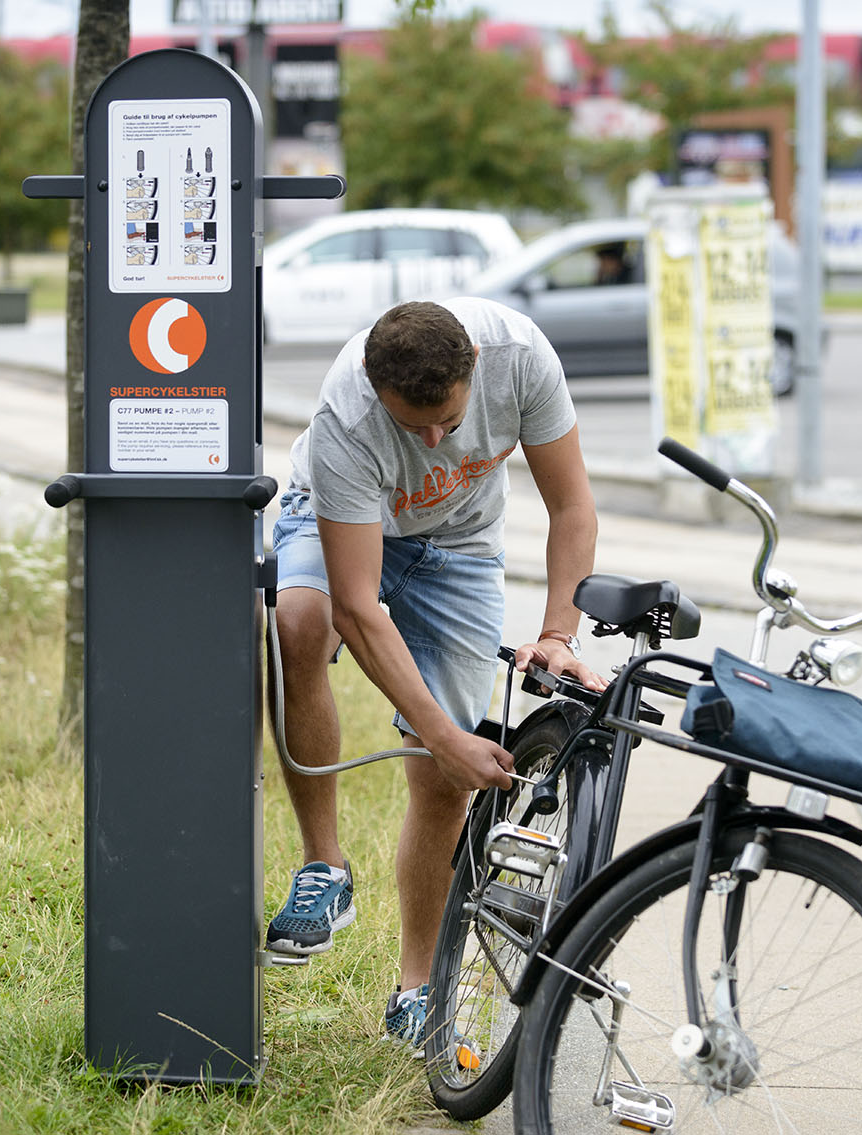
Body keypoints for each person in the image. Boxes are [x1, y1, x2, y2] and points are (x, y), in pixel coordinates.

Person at [265, 297, 607, 1051]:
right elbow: (356, 608)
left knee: (442, 778)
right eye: (409, 425)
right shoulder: (346, 419)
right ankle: (324, 866)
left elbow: (572, 503)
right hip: (339, 523)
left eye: (447, 425)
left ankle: (418, 988)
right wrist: (442, 729)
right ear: (371, 383)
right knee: (299, 622)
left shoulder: (519, 357)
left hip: (459, 546)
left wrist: (557, 632)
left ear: (474, 370)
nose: (430, 442)